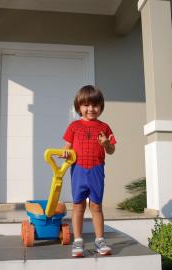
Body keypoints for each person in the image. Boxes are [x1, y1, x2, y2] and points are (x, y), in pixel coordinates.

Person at [62, 85, 116, 257]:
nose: (91, 109)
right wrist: (65, 153)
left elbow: (111, 150)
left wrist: (106, 143)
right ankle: (78, 241)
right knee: (78, 205)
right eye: (86, 105)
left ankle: (100, 240)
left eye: (95, 105)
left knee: (96, 206)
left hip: (96, 170)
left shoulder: (105, 127)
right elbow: (67, 148)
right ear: (79, 107)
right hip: (78, 169)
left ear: (100, 107)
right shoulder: (73, 126)